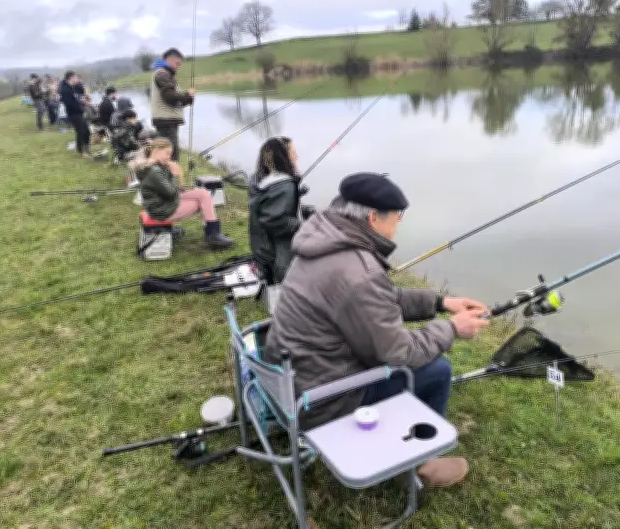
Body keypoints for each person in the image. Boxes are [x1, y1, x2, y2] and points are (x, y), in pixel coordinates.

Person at [264, 172, 490, 488]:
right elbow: (400, 353)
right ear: (373, 217)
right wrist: (452, 329)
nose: (398, 226)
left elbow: (379, 299)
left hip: (288, 377)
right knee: (437, 369)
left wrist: (440, 302)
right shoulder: (358, 270)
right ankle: (417, 464)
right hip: (321, 399)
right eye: (397, 219)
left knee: (422, 361)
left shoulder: (323, 239)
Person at [135, 138, 233, 249]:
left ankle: (213, 234)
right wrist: (176, 174)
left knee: (203, 194)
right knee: (201, 202)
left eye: (170, 154)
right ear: (156, 150)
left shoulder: (154, 166)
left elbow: (172, 188)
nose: (169, 157)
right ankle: (213, 236)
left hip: (160, 203)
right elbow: (171, 192)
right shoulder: (154, 171)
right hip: (161, 211)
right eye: (167, 153)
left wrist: (175, 176)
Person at [248, 137, 314, 285]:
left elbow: (269, 209)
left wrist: (301, 209)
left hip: (262, 249)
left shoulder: (259, 179)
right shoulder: (283, 185)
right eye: (292, 152)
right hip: (278, 259)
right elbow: (276, 221)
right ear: (282, 156)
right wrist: (305, 226)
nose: (296, 156)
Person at [149, 48, 195, 162]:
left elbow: (173, 97)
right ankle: (170, 178)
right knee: (170, 156)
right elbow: (170, 97)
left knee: (167, 154)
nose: (178, 66)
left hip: (167, 120)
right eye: (177, 63)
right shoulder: (162, 74)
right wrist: (188, 97)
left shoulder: (166, 75)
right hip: (166, 121)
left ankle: (166, 177)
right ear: (169, 59)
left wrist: (187, 98)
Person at [60, 71, 91, 157]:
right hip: (73, 114)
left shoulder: (72, 86)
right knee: (80, 131)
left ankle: (87, 148)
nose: (76, 79)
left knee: (87, 131)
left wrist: (82, 101)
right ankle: (81, 151)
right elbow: (69, 103)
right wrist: (82, 104)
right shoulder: (65, 90)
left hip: (79, 112)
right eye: (74, 77)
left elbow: (80, 93)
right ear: (70, 78)